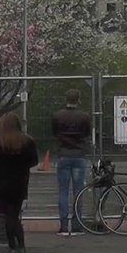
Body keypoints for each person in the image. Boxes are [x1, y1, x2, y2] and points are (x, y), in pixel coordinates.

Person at [0, 112, 38, 253]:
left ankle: (13, 247)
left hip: (3, 184)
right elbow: (34, 161)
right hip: (21, 183)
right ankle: (21, 247)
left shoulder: (1, 143)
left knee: (9, 217)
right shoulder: (28, 142)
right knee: (15, 216)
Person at [51, 89, 91, 235]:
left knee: (62, 191)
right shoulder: (84, 117)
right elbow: (86, 133)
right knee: (78, 191)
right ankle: (76, 225)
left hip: (63, 154)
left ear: (66, 99)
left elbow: (54, 133)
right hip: (79, 155)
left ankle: (63, 225)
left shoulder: (57, 116)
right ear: (78, 99)